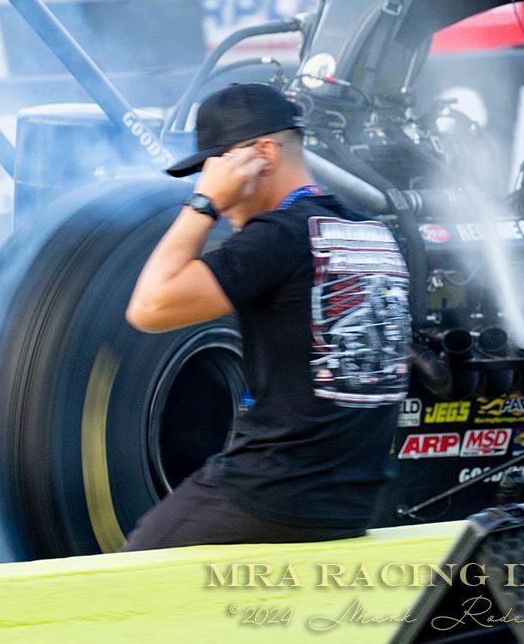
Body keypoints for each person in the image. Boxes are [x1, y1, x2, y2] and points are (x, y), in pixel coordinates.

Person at [122, 83, 411, 550]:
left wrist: (205, 203)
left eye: (217, 168)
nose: (213, 185)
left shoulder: (278, 236)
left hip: (271, 491)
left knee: (122, 586)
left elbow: (149, 308)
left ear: (264, 155)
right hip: (354, 500)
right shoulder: (374, 233)